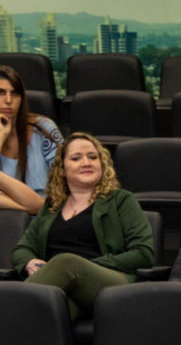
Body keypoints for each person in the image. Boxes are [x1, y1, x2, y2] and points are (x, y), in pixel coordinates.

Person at [12, 132, 154, 320]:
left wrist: (89, 265)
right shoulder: (52, 206)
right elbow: (22, 249)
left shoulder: (120, 200)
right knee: (46, 315)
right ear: (62, 169)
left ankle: (10, 306)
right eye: (76, 158)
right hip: (62, 289)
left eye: (93, 157)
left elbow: (143, 253)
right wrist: (30, 263)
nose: (86, 162)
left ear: (102, 164)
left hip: (110, 282)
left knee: (65, 263)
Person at [0, 65, 61, 213]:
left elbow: (65, 184)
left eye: (14, 93)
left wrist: (39, 207)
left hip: (48, 217)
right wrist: (1, 137)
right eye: (1, 93)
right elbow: (39, 206)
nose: (8, 100)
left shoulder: (44, 129)